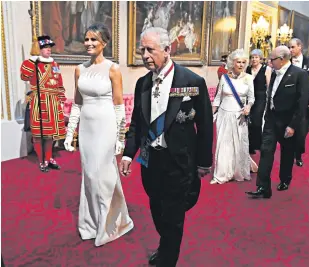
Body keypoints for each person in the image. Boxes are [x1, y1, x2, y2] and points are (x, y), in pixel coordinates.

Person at [119, 27, 213, 267]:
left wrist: (204, 162)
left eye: (151, 49)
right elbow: (136, 124)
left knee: (173, 216)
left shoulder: (192, 81)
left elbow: (204, 125)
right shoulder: (142, 83)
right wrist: (129, 154)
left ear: (168, 50)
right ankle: (165, 245)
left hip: (179, 161)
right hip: (151, 161)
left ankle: (168, 258)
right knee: (157, 210)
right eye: (142, 50)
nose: (145, 55)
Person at [64, 23, 133, 247]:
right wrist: (69, 131)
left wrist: (121, 137)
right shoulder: (79, 70)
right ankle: (91, 223)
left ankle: (110, 224)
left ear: (104, 42)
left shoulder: (113, 69)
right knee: (89, 175)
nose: (89, 44)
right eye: (86, 39)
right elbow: (77, 103)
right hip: (87, 129)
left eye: (94, 39)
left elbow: (118, 105)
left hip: (106, 127)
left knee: (101, 175)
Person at [246, 46, 309, 198]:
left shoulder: (299, 75)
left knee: (287, 153)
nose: (269, 62)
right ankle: (263, 187)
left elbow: (302, 103)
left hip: (288, 122)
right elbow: (271, 96)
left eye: (272, 59)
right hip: (271, 120)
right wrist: (267, 116)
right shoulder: (274, 73)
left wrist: (293, 126)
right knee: (266, 151)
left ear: (282, 60)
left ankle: (285, 179)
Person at [20, 35, 66, 172]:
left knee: (50, 134)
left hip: (53, 102)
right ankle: (41, 160)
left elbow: (59, 83)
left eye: (49, 47)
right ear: (38, 49)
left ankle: (49, 157)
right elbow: (24, 76)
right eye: (45, 47)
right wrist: (31, 61)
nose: (48, 50)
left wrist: (61, 100)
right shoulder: (32, 63)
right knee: (39, 134)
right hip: (39, 102)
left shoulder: (55, 64)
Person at [211, 49, 255, 184]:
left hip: (239, 116)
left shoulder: (248, 78)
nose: (241, 65)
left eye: (243, 62)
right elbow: (218, 98)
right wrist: (211, 114)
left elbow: (251, 98)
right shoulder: (224, 77)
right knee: (223, 145)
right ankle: (221, 174)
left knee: (238, 144)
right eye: (238, 62)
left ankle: (238, 171)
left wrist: (248, 107)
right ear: (232, 63)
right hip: (224, 114)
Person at [289, 38, 309, 167]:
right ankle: (289, 156)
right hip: (289, 103)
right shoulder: (286, 61)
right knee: (288, 131)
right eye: (289, 47)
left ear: (300, 47)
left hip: (306, 104)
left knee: (301, 132)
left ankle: (298, 154)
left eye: (292, 47)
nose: (290, 50)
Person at [246, 49, 272, 154]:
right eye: (252, 57)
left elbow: (269, 86)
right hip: (248, 97)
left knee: (257, 120)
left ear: (261, 59)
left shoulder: (267, 69)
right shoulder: (247, 69)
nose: (254, 59)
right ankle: (250, 145)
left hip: (260, 97)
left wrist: (270, 100)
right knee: (248, 121)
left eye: (256, 57)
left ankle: (258, 143)